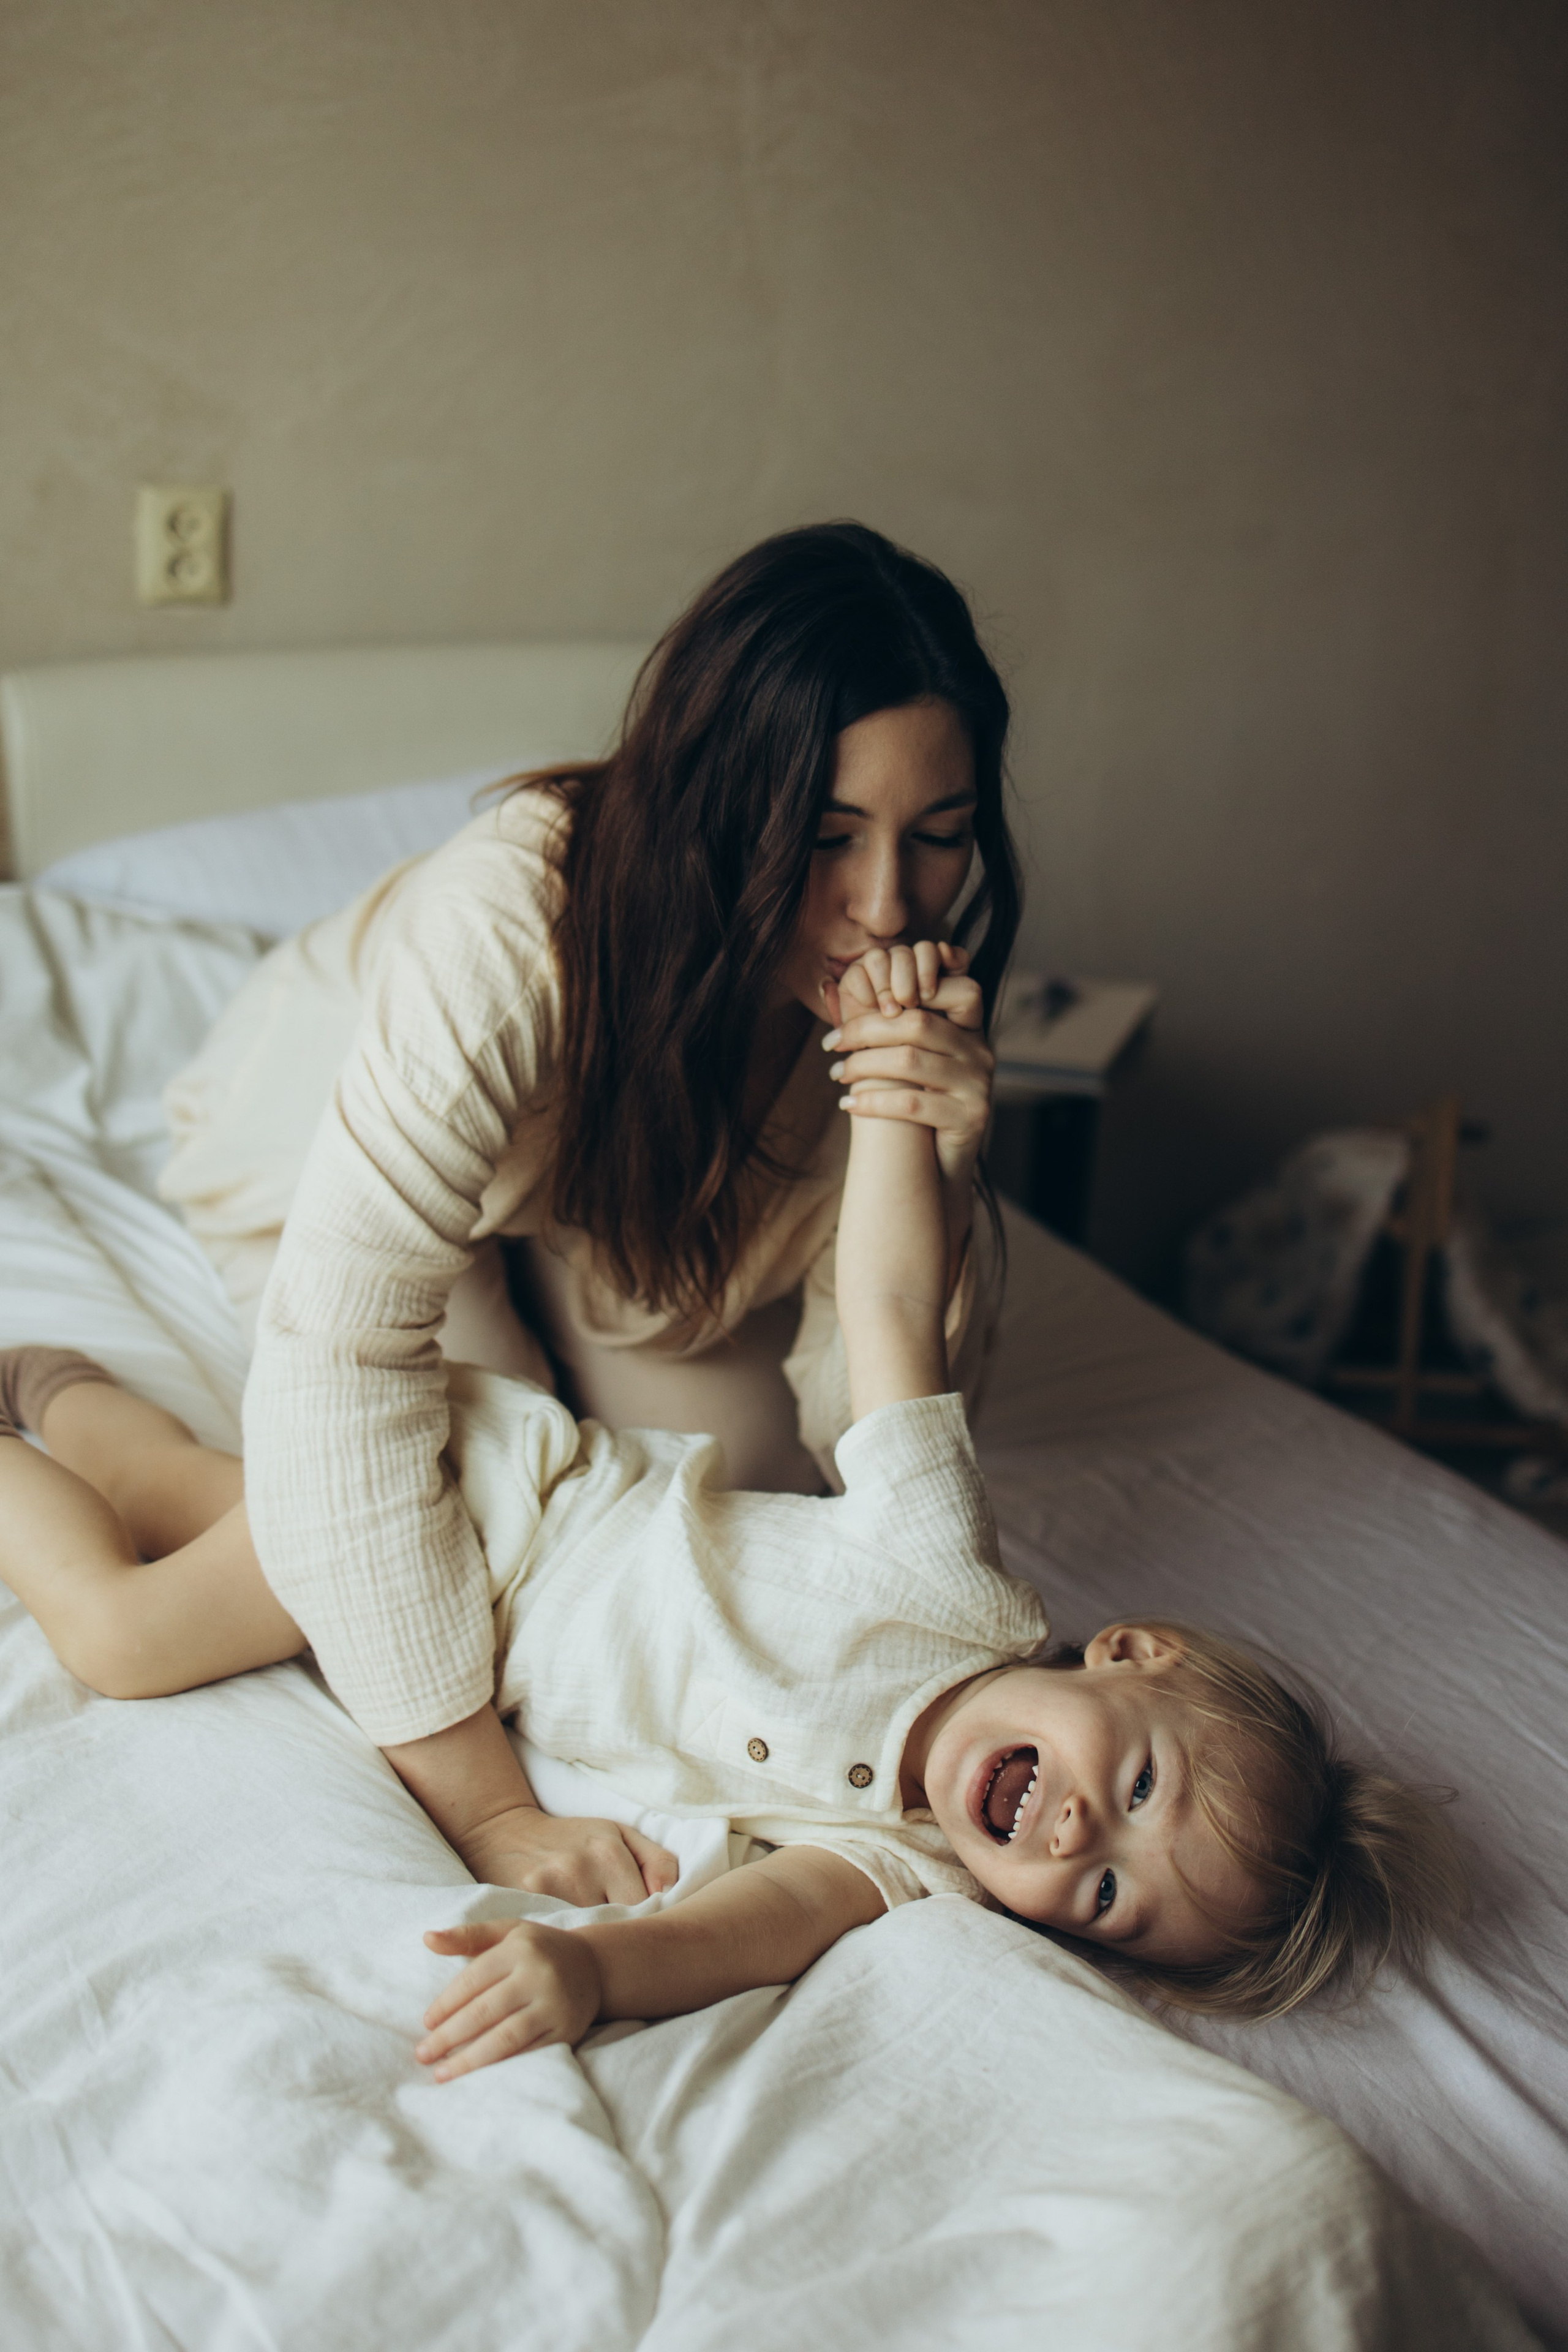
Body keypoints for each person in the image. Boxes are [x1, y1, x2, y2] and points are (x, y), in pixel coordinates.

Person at [0, 957, 1464, 2078]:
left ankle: (57, 1392)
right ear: (1128, 1654)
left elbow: (734, 1935)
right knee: (127, 1634)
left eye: (1101, 1894)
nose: (1080, 1833)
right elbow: (891, 1313)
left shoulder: (905, 1869)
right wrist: (892, 1106)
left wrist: (593, 1977)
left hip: (452, 1590)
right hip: (483, 1506)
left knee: (200, 1506)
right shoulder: (941, 1575)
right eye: (1137, 1792)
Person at [154, 523, 1023, 1896]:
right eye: (821, 836)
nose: (881, 907)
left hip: (592, 1205)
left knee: (738, 1490)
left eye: (938, 838)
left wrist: (936, 1158)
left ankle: (543, 1285)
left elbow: (879, 1448)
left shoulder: (902, 990)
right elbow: (341, 1353)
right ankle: (87, 1426)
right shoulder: (508, 922)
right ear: (718, 800)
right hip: (327, 1115)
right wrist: (486, 1806)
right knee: (477, 1534)